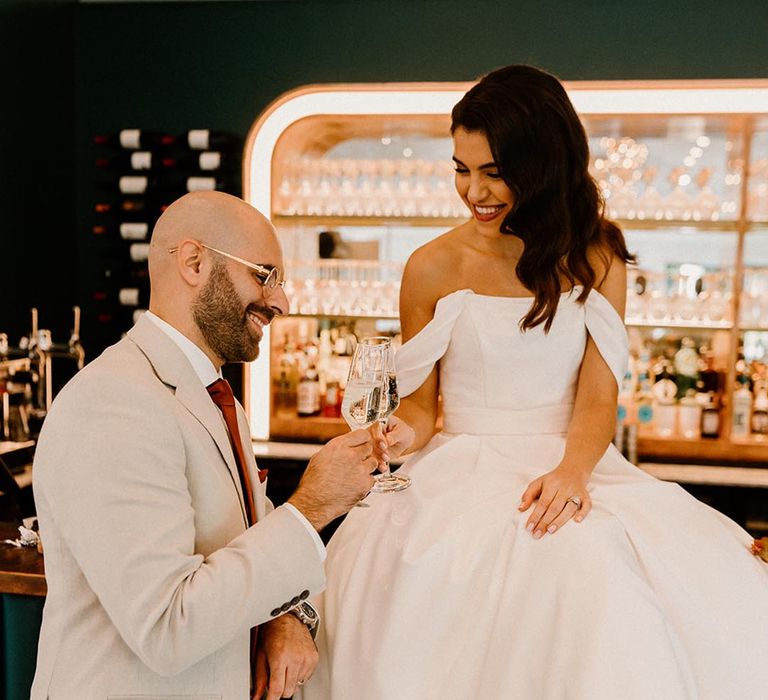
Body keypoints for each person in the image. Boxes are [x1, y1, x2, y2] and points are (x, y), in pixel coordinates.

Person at [301, 66, 768, 699]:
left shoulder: (596, 256)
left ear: (545, 163)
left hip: (571, 460)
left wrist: (573, 473)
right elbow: (419, 406)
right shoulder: (429, 266)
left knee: (596, 577)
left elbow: (599, 396)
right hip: (457, 469)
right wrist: (388, 439)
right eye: (461, 169)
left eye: (493, 171)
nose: (475, 191)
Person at [30, 191, 400, 700]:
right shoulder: (114, 403)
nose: (281, 302)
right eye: (265, 275)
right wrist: (311, 507)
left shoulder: (214, 397)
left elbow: (244, 544)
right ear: (194, 262)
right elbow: (167, 626)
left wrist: (289, 615)